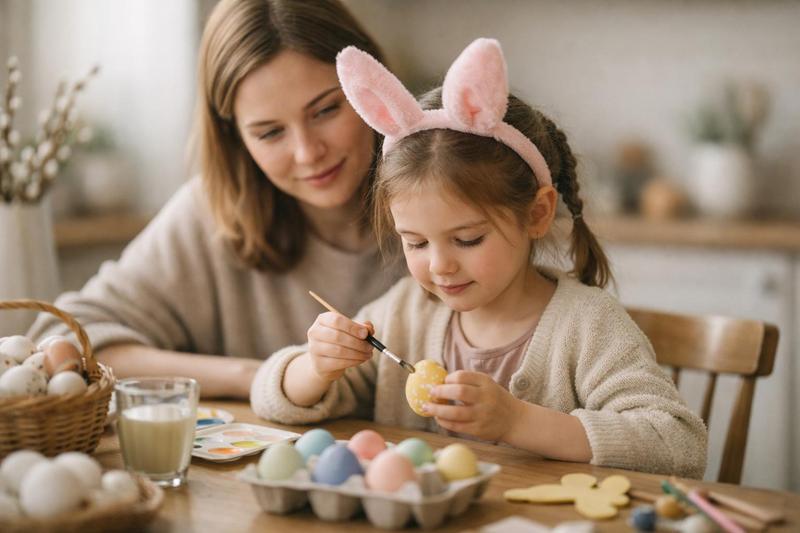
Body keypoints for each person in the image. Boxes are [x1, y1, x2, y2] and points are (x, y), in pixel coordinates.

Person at [250, 39, 708, 477]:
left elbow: (678, 444)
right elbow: (271, 399)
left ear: (537, 213)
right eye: (416, 243)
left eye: (467, 240)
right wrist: (317, 366)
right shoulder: (406, 313)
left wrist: (518, 422)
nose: (440, 266)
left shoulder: (587, 326)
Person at [28, 0, 404, 399]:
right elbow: (61, 339)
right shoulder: (212, 213)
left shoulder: (447, 191)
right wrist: (265, 377)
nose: (308, 152)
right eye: (270, 133)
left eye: (326, 110)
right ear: (235, 139)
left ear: (373, 86)